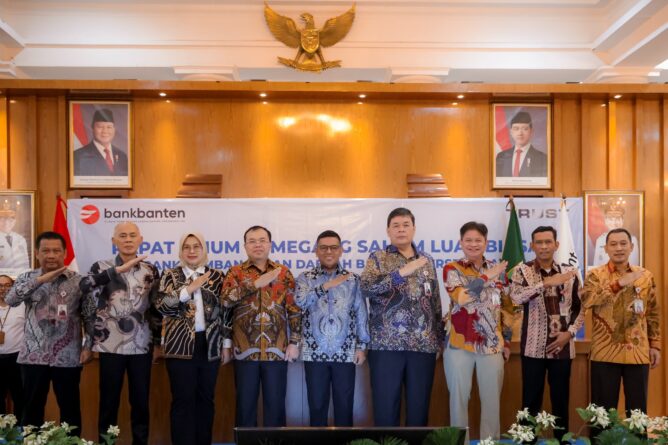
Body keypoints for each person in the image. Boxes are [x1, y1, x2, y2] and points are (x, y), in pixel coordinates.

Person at [79, 222, 162, 445]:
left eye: (132, 235)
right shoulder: (101, 266)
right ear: (114, 241)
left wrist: (157, 342)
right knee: (109, 402)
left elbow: (155, 308)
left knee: (140, 402)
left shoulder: (150, 270)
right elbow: (84, 287)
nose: (128, 240)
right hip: (110, 345)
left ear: (140, 240)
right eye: (122, 236)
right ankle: (107, 443)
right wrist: (115, 272)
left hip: (141, 345)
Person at [360, 207, 443, 427]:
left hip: (423, 345)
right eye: (395, 225)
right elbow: (366, 288)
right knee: (386, 409)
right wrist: (400, 274)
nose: (401, 229)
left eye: (406, 225)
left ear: (414, 229)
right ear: (388, 231)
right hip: (386, 345)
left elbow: (435, 300)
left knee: (419, 409)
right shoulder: (378, 258)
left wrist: (438, 339)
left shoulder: (427, 260)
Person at [4, 232, 89, 432]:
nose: (51, 255)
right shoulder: (26, 278)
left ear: (65, 253)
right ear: (36, 253)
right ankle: (32, 442)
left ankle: (71, 443)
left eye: (56, 251)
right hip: (33, 356)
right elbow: (10, 299)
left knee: (70, 410)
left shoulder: (79, 281)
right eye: (45, 251)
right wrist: (40, 280)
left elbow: (89, 315)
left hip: (68, 356)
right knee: (31, 411)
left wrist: (88, 346)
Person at [509, 226, 584, 443]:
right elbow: (516, 298)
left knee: (560, 400)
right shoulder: (522, 270)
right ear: (532, 246)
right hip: (533, 347)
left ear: (556, 245)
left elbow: (580, 307)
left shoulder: (570, 272)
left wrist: (569, 333)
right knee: (530, 400)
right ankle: (527, 440)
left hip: (563, 347)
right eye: (539, 242)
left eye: (548, 242)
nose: (543, 246)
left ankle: (562, 440)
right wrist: (544, 284)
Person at [222, 225, 301, 427]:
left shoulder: (283, 273)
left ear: (270, 244)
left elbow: (294, 309)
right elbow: (226, 302)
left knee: (275, 407)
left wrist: (294, 342)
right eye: (252, 241)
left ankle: (276, 442)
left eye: (262, 240)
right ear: (245, 246)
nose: (257, 245)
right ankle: (245, 442)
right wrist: (254, 284)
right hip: (244, 351)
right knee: (245, 408)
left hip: (277, 350)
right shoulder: (235, 273)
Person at [157, 232, 230, 445]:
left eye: (196, 246)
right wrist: (188, 289)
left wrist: (226, 344)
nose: (191, 251)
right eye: (186, 247)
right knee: (183, 400)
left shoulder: (217, 276)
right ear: (181, 251)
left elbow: (225, 311)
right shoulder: (170, 275)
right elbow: (162, 307)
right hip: (179, 346)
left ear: (203, 249)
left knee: (206, 400)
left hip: (210, 345)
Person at [583, 228, 660, 428]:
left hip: (638, 352)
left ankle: (638, 441)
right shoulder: (595, 275)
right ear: (606, 248)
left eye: (623, 243)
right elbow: (587, 301)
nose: (619, 248)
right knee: (602, 413)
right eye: (613, 244)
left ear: (631, 247)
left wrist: (655, 345)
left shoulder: (645, 276)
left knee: (638, 413)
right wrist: (617, 284)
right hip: (605, 353)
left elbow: (652, 312)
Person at [443, 221, 513, 440]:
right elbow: (462, 298)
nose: (473, 244)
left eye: (478, 240)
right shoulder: (452, 268)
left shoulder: (498, 269)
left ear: (486, 242)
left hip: (492, 345)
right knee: (458, 401)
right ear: (461, 242)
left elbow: (507, 308)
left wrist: (507, 340)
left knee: (492, 402)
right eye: (468, 240)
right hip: (459, 344)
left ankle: (489, 443)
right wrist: (486, 276)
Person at [295, 230, 370, 427]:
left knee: (344, 406)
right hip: (314, 352)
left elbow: (361, 313)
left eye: (334, 247)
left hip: (345, 352)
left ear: (341, 250)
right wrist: (325, 286)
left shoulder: (353, 279)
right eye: (324, 247)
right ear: (316, 251)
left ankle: (344, 441)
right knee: (317, 405)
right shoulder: (305, 278)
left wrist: (361, 346)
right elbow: (300, 302)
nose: (329, 251)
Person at [73, 108, 129, 176]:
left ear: (114, 129)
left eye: (109, 127)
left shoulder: (122, 156)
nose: (105, 131)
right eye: (100, 127)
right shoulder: (78, 156)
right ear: (92, 128)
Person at [0, 274, 25, 418]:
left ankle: (20, 429)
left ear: (13, 287)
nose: (3, 288)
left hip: (17, 358)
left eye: (7, 285)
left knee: (19, 396)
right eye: (0, 285)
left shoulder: (22, 306)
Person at [495, 111, 548, 178]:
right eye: (516, 129)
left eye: (525, 129)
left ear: (531, 131)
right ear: (511, 132)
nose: (520, 133)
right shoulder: (501, 156)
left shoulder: (542, 158)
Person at [592, 200, 640, 266]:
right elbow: (596, 265)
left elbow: (634, 265)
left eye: (617, 219)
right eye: (611, 219)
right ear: (606, 221)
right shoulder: (600, 240)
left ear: (622, 220)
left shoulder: (632, 239)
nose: (614, 223)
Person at [0, 201, 30, 273]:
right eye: (2, 219)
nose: (6, 223)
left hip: (20, 277)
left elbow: (26, 264)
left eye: (11, 220)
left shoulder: (21, 239)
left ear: (15, 221)